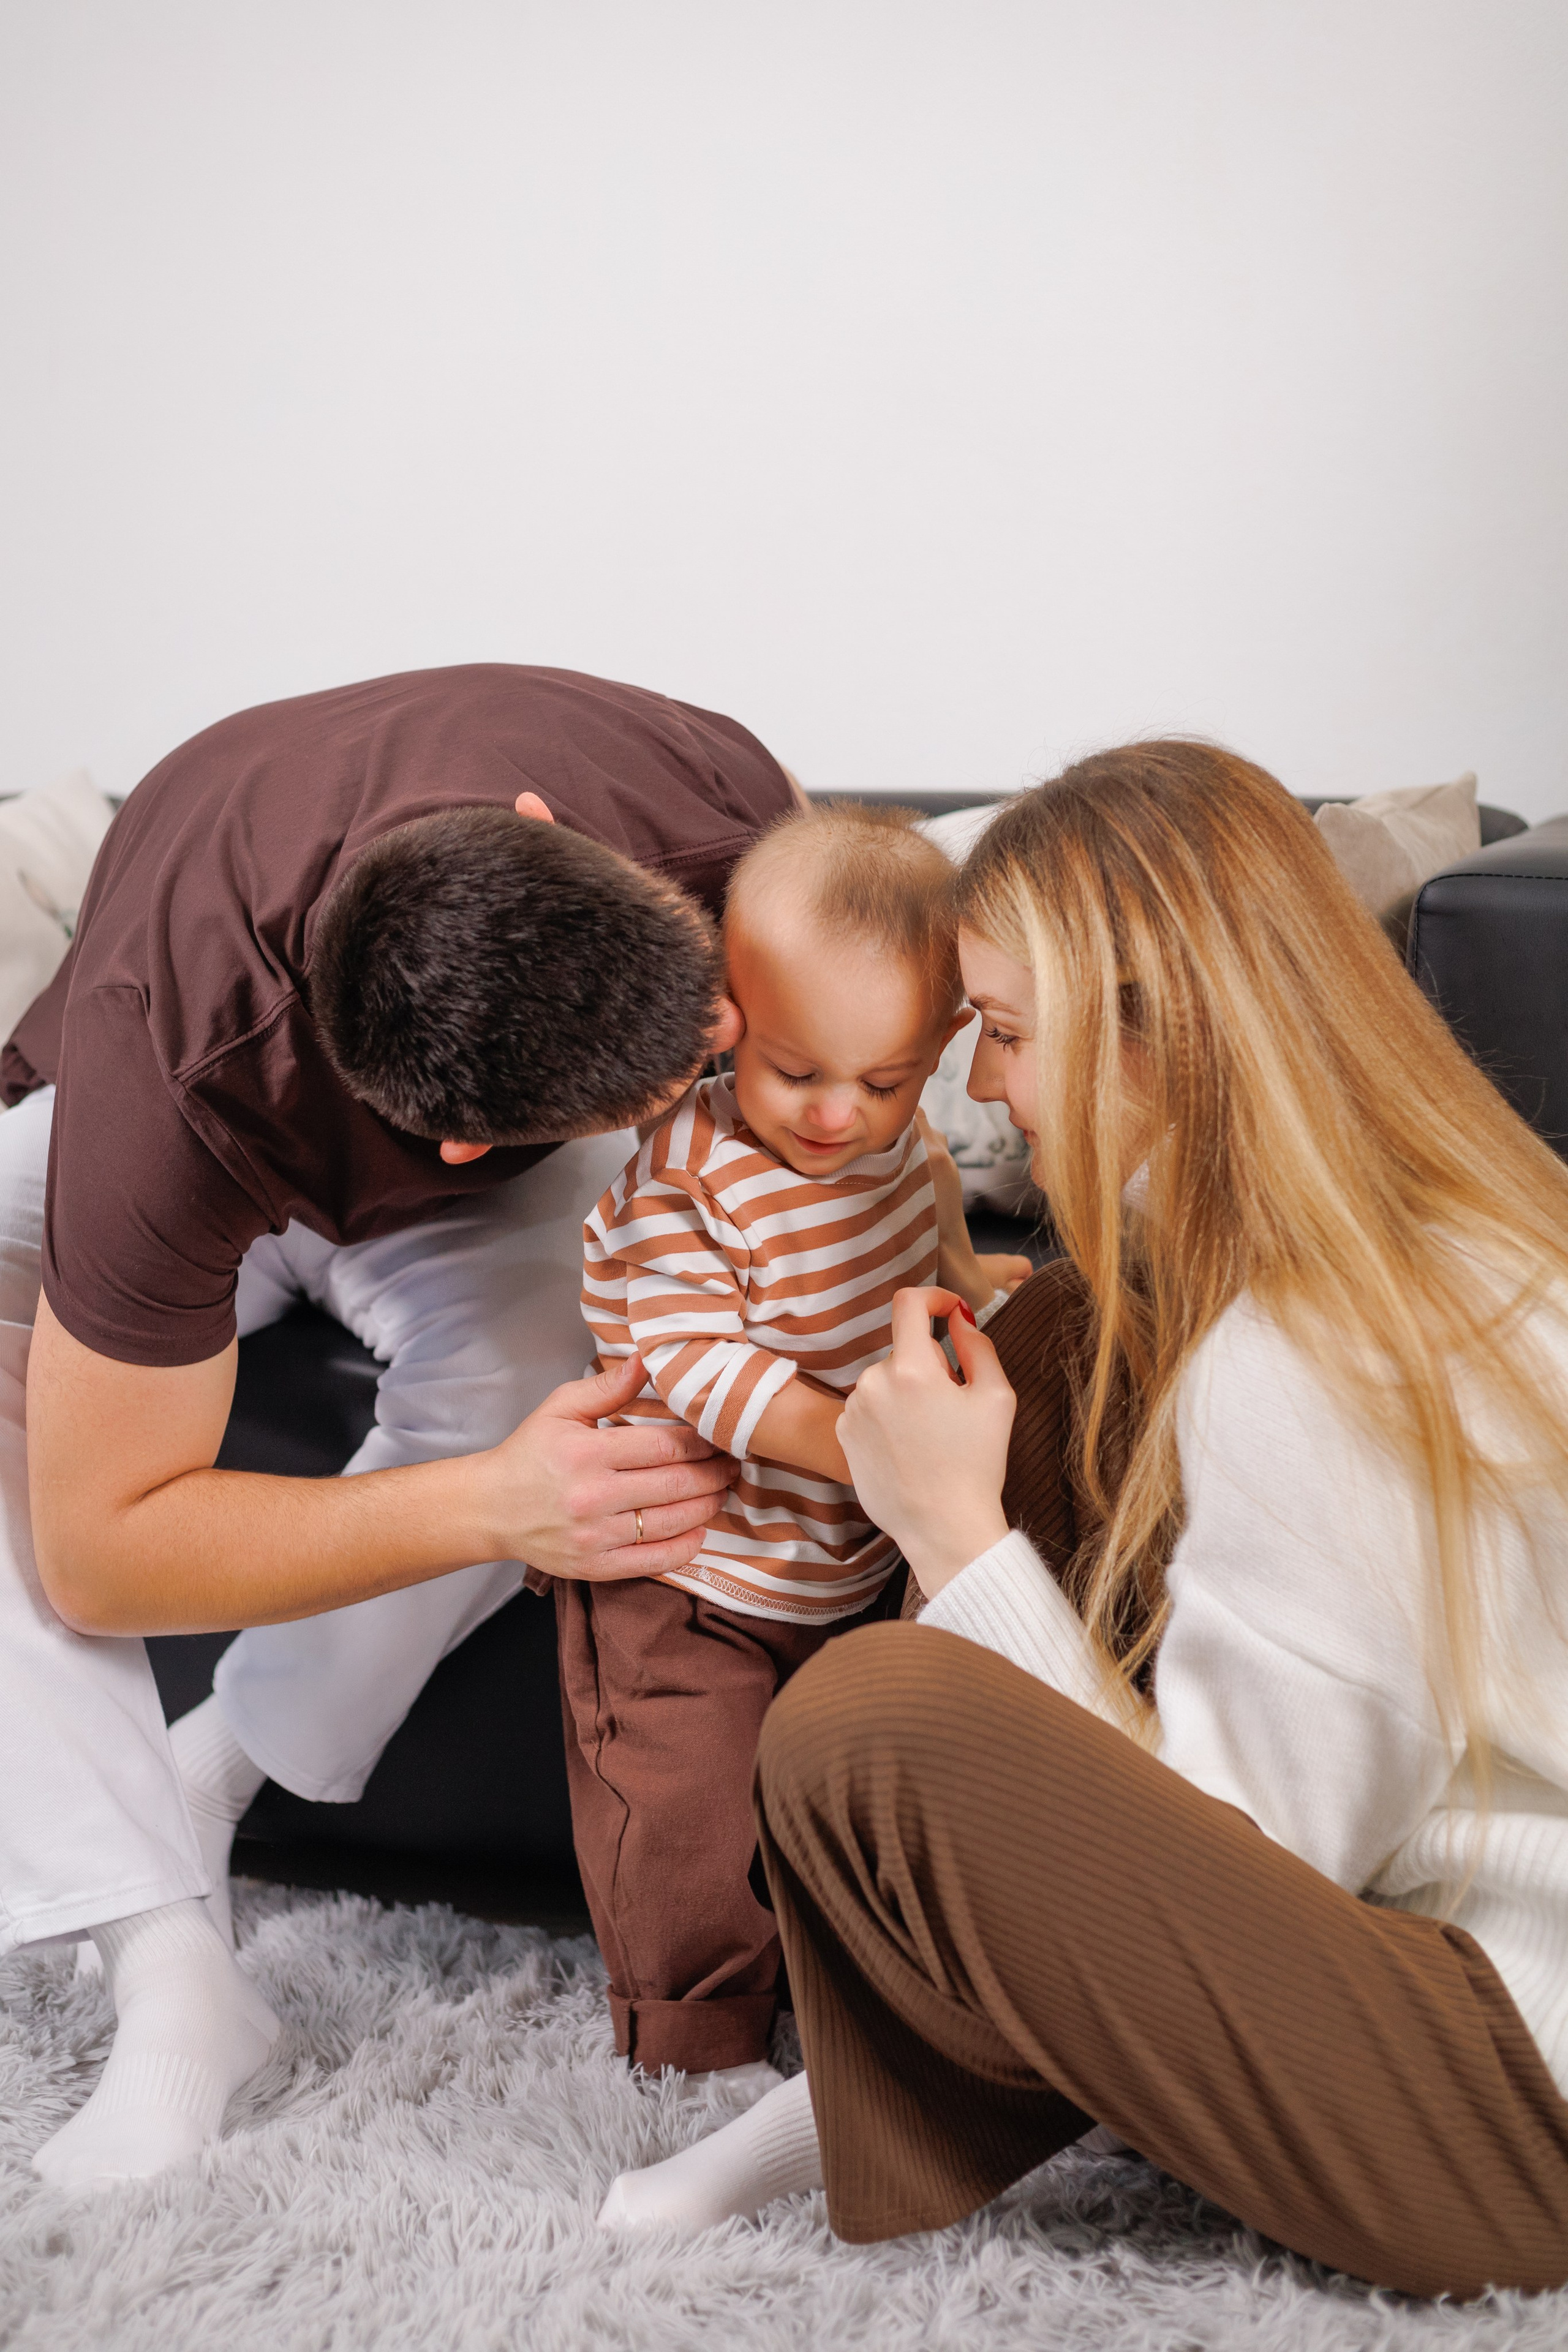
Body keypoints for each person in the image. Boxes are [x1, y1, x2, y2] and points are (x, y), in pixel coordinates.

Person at [598, 739, 1568, 2304]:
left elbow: (1244, 1857)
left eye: (1003, 1032)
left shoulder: (1307, 1360)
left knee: (877, 1722)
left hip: (1511, 2101)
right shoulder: (1424, 1239)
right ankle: (889, 2105)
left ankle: (853, 2113)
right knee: (1053, 1335)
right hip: (1470, 1976)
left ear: (1163, 1038)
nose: (978, 1085)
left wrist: (953, 1537)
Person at [0, 662, 794, 2188]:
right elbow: (103, 1553)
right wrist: (496, 1506)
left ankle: (217, 1766)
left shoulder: (711, 810)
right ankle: (173, 1976)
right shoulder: (172, 1072)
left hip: (433, 1068)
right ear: (461, 1148)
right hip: (182, 1111)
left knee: (574, 1360)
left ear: (556, 832)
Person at [567, 805, 1028, 2106]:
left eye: (880, 1082)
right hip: (684, 1571)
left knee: (832, 1796)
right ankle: (693, 2037)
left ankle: (846, 1994)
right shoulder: (682, 1178)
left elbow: (928, 1232)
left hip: (839, 1561)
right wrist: (863, 1448)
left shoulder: (901, 1148)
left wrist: (968, 1281)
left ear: (940, 1048)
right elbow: (700, 1369)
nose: (834, 1114)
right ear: (727, 1018)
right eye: (792, 1071)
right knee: (683, 1812)